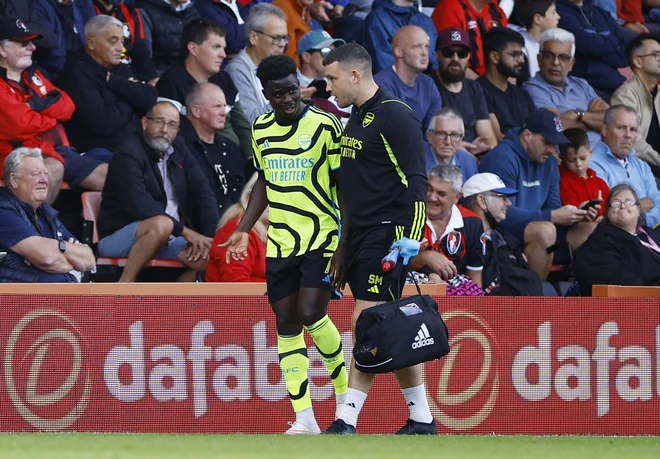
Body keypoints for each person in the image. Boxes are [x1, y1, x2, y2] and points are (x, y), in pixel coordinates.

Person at [221, 55, 348, 435]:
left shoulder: (326, 125)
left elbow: (344, 185)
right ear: (266, 94)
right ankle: (305, 417)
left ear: (298, 85)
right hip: (281, 242)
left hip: (322, 236)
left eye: (292, 90)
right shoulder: (260, 129)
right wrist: (244, 228)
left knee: (311, 312)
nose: (288, 99)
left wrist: (345, 240)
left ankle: (346, 403)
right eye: (279, 94)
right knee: (287, 322)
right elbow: (264, 182)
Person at [322, 44, 434, 435]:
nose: (329, 87)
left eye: (333, 78)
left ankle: (346, 419)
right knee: (390, 326)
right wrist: (343, 244)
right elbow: (355, 190)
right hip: (359, 237)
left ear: (355, 75)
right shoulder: (357, 118)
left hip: (388, 235)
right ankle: (422, 418)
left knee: (366, 320)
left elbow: (416, 181)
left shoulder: (395, 117)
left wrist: (411, 239)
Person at [98, 101, 219, 282]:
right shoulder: (128, 152)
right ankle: (123, 288)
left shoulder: (178, 147)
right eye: (159, 122)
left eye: (171, 125)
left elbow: (202, 191)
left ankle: (173, 303)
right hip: (122, 235)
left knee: (215, 258)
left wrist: (210, 238)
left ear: (177, 130)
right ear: (145, 123)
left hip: (170, 238)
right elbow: (140, 205)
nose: (164, 130)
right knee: (162, 224)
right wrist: (186, 232)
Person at [479, 109, 599, 280]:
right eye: (547, 142)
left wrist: (575, 215)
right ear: (527, 135)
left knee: (591, 229)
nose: (552, 149)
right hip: (501, 231)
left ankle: (578, 293)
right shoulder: (502, 158)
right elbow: (502, 215)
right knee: (545, 231)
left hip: (535, 228)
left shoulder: (549, 163)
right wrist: (552, 216)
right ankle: (532, 298)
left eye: (555, 143)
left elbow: (553, 206)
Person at [0, 17, 108, 204]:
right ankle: (32, 229)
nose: (32, 47)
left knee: (114, 175)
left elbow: (67, 106)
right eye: (23, 43)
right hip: (13, 156)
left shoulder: (34, 76)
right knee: (52, 169)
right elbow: (20, 124)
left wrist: (35, 109)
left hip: (51, 149)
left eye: (32, 42)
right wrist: (51, 119)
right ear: (2, 49)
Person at [57, 14, 158, 153]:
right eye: (113, 41)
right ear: (91, 43)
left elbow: (150, 97)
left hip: (129, 142)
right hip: (98, 148)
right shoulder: (76, 72)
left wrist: (117, 83)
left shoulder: (117, 67)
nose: (120, 48)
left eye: (122, 41)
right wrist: (129, 99)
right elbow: (101, 123)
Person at [156, 18, 251, 162]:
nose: (223, 55)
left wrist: (253, 160)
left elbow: (242, 127)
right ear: (193, 48)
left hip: (235, 162)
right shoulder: (171, 83)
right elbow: (170, 136)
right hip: (196, 163)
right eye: (216, 47)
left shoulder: (224, 79)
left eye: (224, 48)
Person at [0, 147, 96, 282]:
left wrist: (58, 246)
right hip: (19, 299)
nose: (44, 180)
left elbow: (88, 259)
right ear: (14, 180)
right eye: (36, 174)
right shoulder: (3, 210)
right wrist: (68, 256)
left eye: (45, 173)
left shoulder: (46, 212)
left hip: (56, 294)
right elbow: (47, 258)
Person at [461, 172, 546, 296]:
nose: (509, 203)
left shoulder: (507, 241)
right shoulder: (459, 240)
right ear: (482, 201)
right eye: (502, 197)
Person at [523, 27, 609, 147]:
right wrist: (592, 116)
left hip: (603, 153)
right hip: (573, 160)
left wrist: (580, 115)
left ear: (571, 64)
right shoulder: (532, 88)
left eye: (563, 57)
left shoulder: (581, 84)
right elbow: (555, 126)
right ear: (539, 59)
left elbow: (610, 121)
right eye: (549, 55)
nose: (556, 63)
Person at [574, 184, 660, 295]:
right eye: (616, 203)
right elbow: (612, 278)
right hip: (636, 303)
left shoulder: (651, 234)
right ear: (608, 212)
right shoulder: (601, 240)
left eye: (628, 202)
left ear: (638, 209)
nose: (623, 206)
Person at [409, 164, 484, 286]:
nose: (432, 198)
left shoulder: (471, 222)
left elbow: (475, 279)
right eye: (429, 189)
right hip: (410, 295)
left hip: (455, 299)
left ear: (457, 197)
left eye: (441, 193)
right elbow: (393, 264)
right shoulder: (408, 215)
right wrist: (425, 258)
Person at [181, 82, 246, 216]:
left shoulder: (230, 148)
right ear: (196, 111)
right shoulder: (180, 147)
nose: (224, 113)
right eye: (217, 107)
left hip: (235, 225)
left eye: (224, 106)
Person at [589, 105, 660, 228]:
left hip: (651, 234)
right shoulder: (592, 165)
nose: (627, 135)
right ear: (605, 131)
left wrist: (636, 217)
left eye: (633, 130)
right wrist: (643, 206)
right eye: (621, 128)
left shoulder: (641, 165)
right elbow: (612, 215)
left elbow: (657, 201)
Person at [432, 27, 497, 155]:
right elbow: (425, 135)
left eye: (462, 54)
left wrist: (478, 150)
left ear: (468, 57)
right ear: (437, 54)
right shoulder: (427, 85)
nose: (455, 59)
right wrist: (457, 148)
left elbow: (490, 140)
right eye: (448, 53)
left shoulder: (475, 88)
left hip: (474, 158)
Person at [226, 3, 292, 123]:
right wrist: (286, 99)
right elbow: (251, 121)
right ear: (253, 37)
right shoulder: (237, 71)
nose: (282, 44)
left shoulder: (282, 64)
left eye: (285, 38)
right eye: (276, 38)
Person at [374, 25, 443, 132]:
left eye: (427, 47)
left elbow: (433, 132)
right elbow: (391, 135)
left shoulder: (428, 85)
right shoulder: (381, 86)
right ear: (398, 52)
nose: (424, 53)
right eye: (417, 46)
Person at [555, 0, 628, 98]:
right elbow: (586, 44)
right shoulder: (558, 12)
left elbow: (624, 51)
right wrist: (611, 44)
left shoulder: (602, 13)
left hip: (614, 82)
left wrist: (596, 51)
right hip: (585, 86)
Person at [611, 34, 660, 175]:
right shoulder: (625, 95)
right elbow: (633, 141)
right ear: (638, 61)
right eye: (656, 54)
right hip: (639, 168)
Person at [477, 27, 537, 140]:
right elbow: (498, 137)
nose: (521, 60)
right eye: (514, 55)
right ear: (494, 57)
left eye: (521, 54)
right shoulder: (477, 91)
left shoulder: (522, 95)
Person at [206, 173, 267, 282]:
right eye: (272, 195)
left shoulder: (280, 231)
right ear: (249, 198)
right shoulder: (235, 229)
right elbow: (237, 284)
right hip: (235, 298)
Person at [431, 0, 508, 78]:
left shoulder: (497, 12)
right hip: (462, 81)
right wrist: (483, 87)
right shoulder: (450, 7)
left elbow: (507, 56)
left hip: (492, 82)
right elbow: (450, 62)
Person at [362, 0, 439, 74]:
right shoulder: (377, 19)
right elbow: (385, 66)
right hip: (392, 85)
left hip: (427, 85)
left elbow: (435, 66)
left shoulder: (426, 21)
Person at [135, 0, 200, 74]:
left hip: (193, 73)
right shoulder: (145, 11)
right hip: (163, 76)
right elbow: (144, 56)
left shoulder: (191, 10)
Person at [558, 128, 610, 218]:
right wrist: (581, 209)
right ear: (562, 158)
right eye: (571, 160)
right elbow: (570, 213)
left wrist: (603, 212)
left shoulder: (599, 182)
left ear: (591, 152)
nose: (579, 164)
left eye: (583, 158)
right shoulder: (562, 182)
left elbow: (611, 206)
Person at [508, 0, 560, 79]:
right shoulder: (521, 48)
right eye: (553, 12)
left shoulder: (553, 42)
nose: (558, 17)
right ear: (538, 19)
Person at [425, 108, 478, 184]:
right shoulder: (416, 161)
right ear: (429, 136)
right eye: (441, 134)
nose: (448, 142)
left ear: (461, 139)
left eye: (454, 135)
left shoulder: (469, 163)